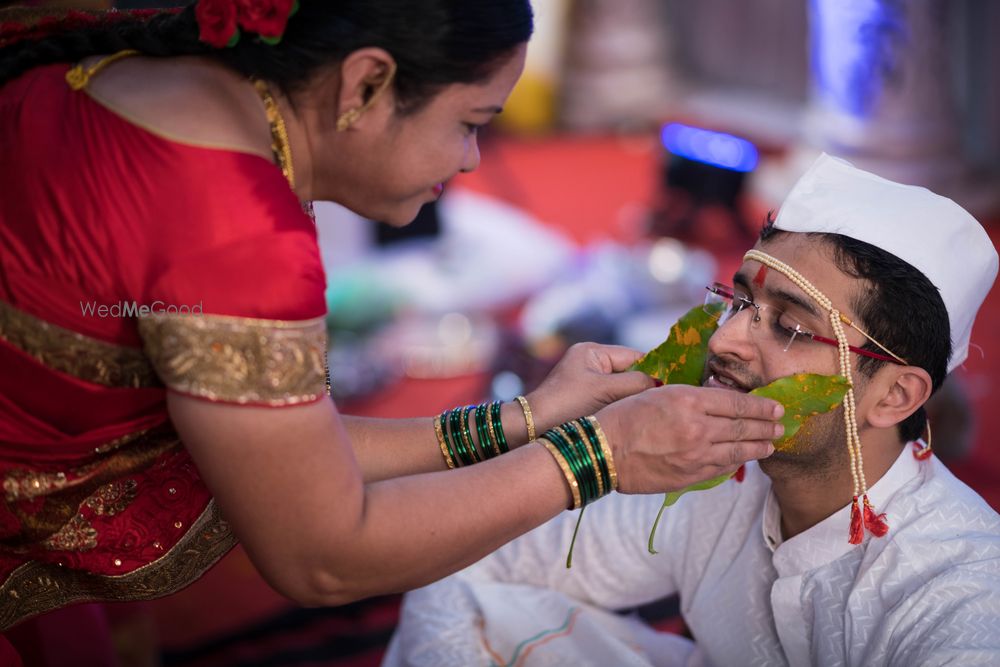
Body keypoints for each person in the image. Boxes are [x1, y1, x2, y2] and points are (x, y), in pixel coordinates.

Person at [0, 0, 786, 644]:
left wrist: (530, 418)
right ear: (367, 84)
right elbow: (323, 554)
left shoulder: (153, 81)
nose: (475, 157)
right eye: (469, 121)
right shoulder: (234, 226)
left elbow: (302, 454)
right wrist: (599, 456)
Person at [386, 154, 1000, 666]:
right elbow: (469, 550)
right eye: (739, 302)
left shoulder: (961, 596)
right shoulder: (718, 471)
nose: (725, 341)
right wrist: (569, 435)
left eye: (788, 325)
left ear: (895, 396)